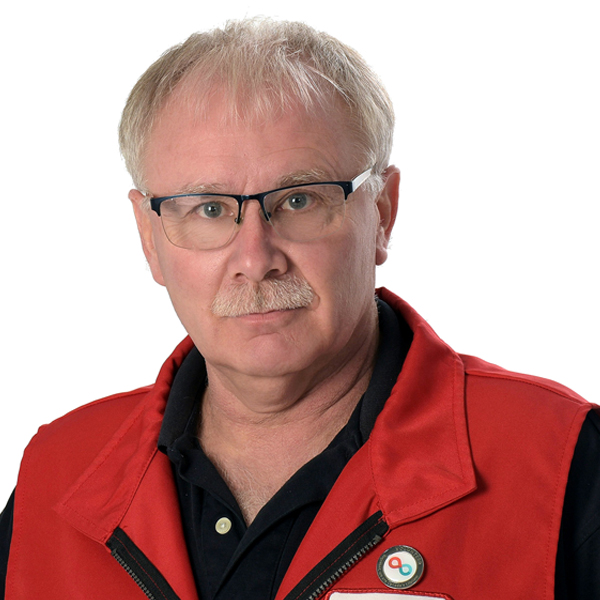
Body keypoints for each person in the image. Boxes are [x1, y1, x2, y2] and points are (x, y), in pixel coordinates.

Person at [1, 18, 598, 600]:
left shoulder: (559, 462)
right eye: (208, 209)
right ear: (149, 237)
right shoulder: (54, 475)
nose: (256, 257)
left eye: (299, 199)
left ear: (382, 214)